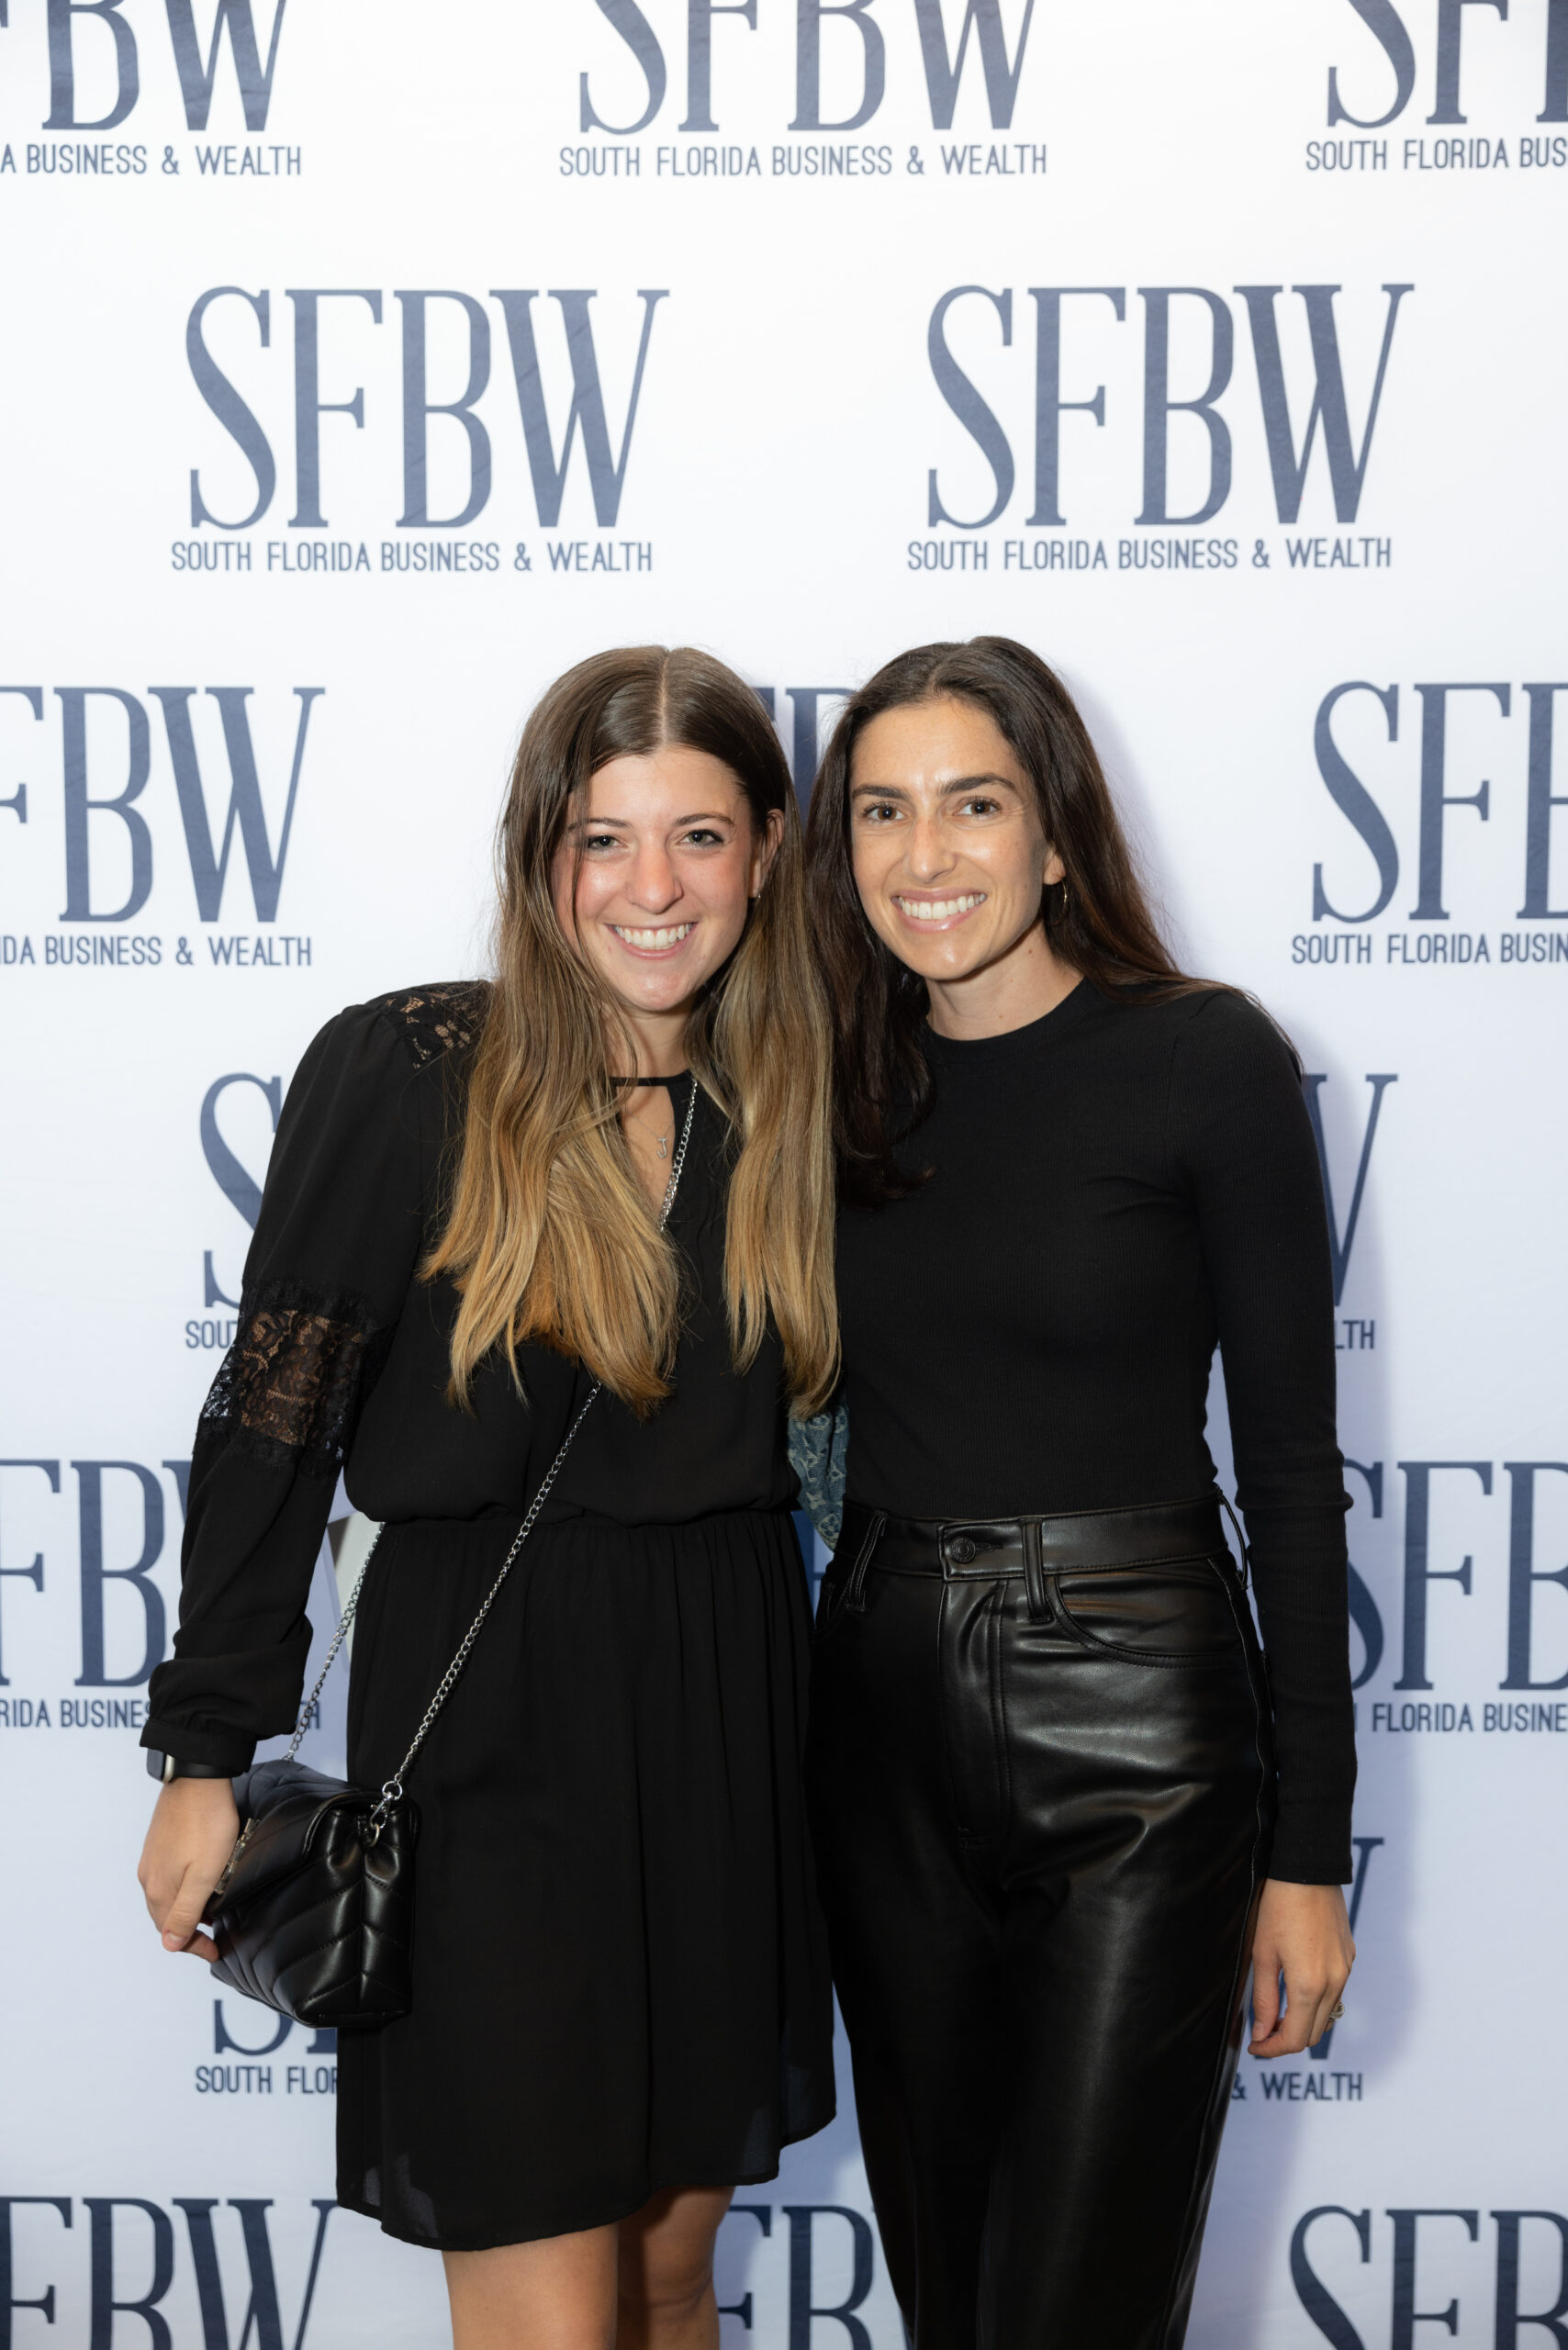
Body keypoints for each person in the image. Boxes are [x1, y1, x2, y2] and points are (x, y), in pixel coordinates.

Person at [137, 646, 839, 2350]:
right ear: (542, 855)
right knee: (549, 2303)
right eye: (604, 839)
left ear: (765, 853)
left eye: (698, 837)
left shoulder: (800, 1096)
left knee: (670, 2280)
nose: (652, 889)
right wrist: (206, 1754)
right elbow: (274, 1425)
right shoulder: (408, 1071)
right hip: (490, 1731)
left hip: (730, 1713)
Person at [801, 636, 1356, 2350]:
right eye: (882, 811)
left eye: (974, 804)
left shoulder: (1204, 1059)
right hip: (879, 1718)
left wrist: (1308, 1857)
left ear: (1055, 836)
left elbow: (1293, 1472)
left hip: (1138, 1725)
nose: (925, 853)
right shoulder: (824, 1088)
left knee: (1076, 2311)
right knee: (951, 2294)